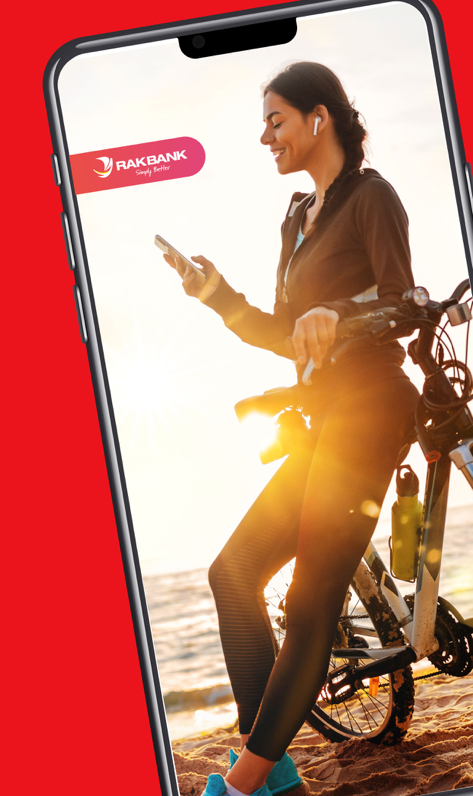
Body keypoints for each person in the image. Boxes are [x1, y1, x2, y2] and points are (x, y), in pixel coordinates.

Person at [164, 62, 419, 796]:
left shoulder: (371, 199)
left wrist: (339, 314)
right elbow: (283, 334)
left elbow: (404, 304)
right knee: (232, 572)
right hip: (320, 419)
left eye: (275, 120)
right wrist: (216, 296)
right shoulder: (294, 217)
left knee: (309, 603)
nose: (264, 135)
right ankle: (270, 765)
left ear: (319, 119)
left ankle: (244, 784)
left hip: (370, 408)